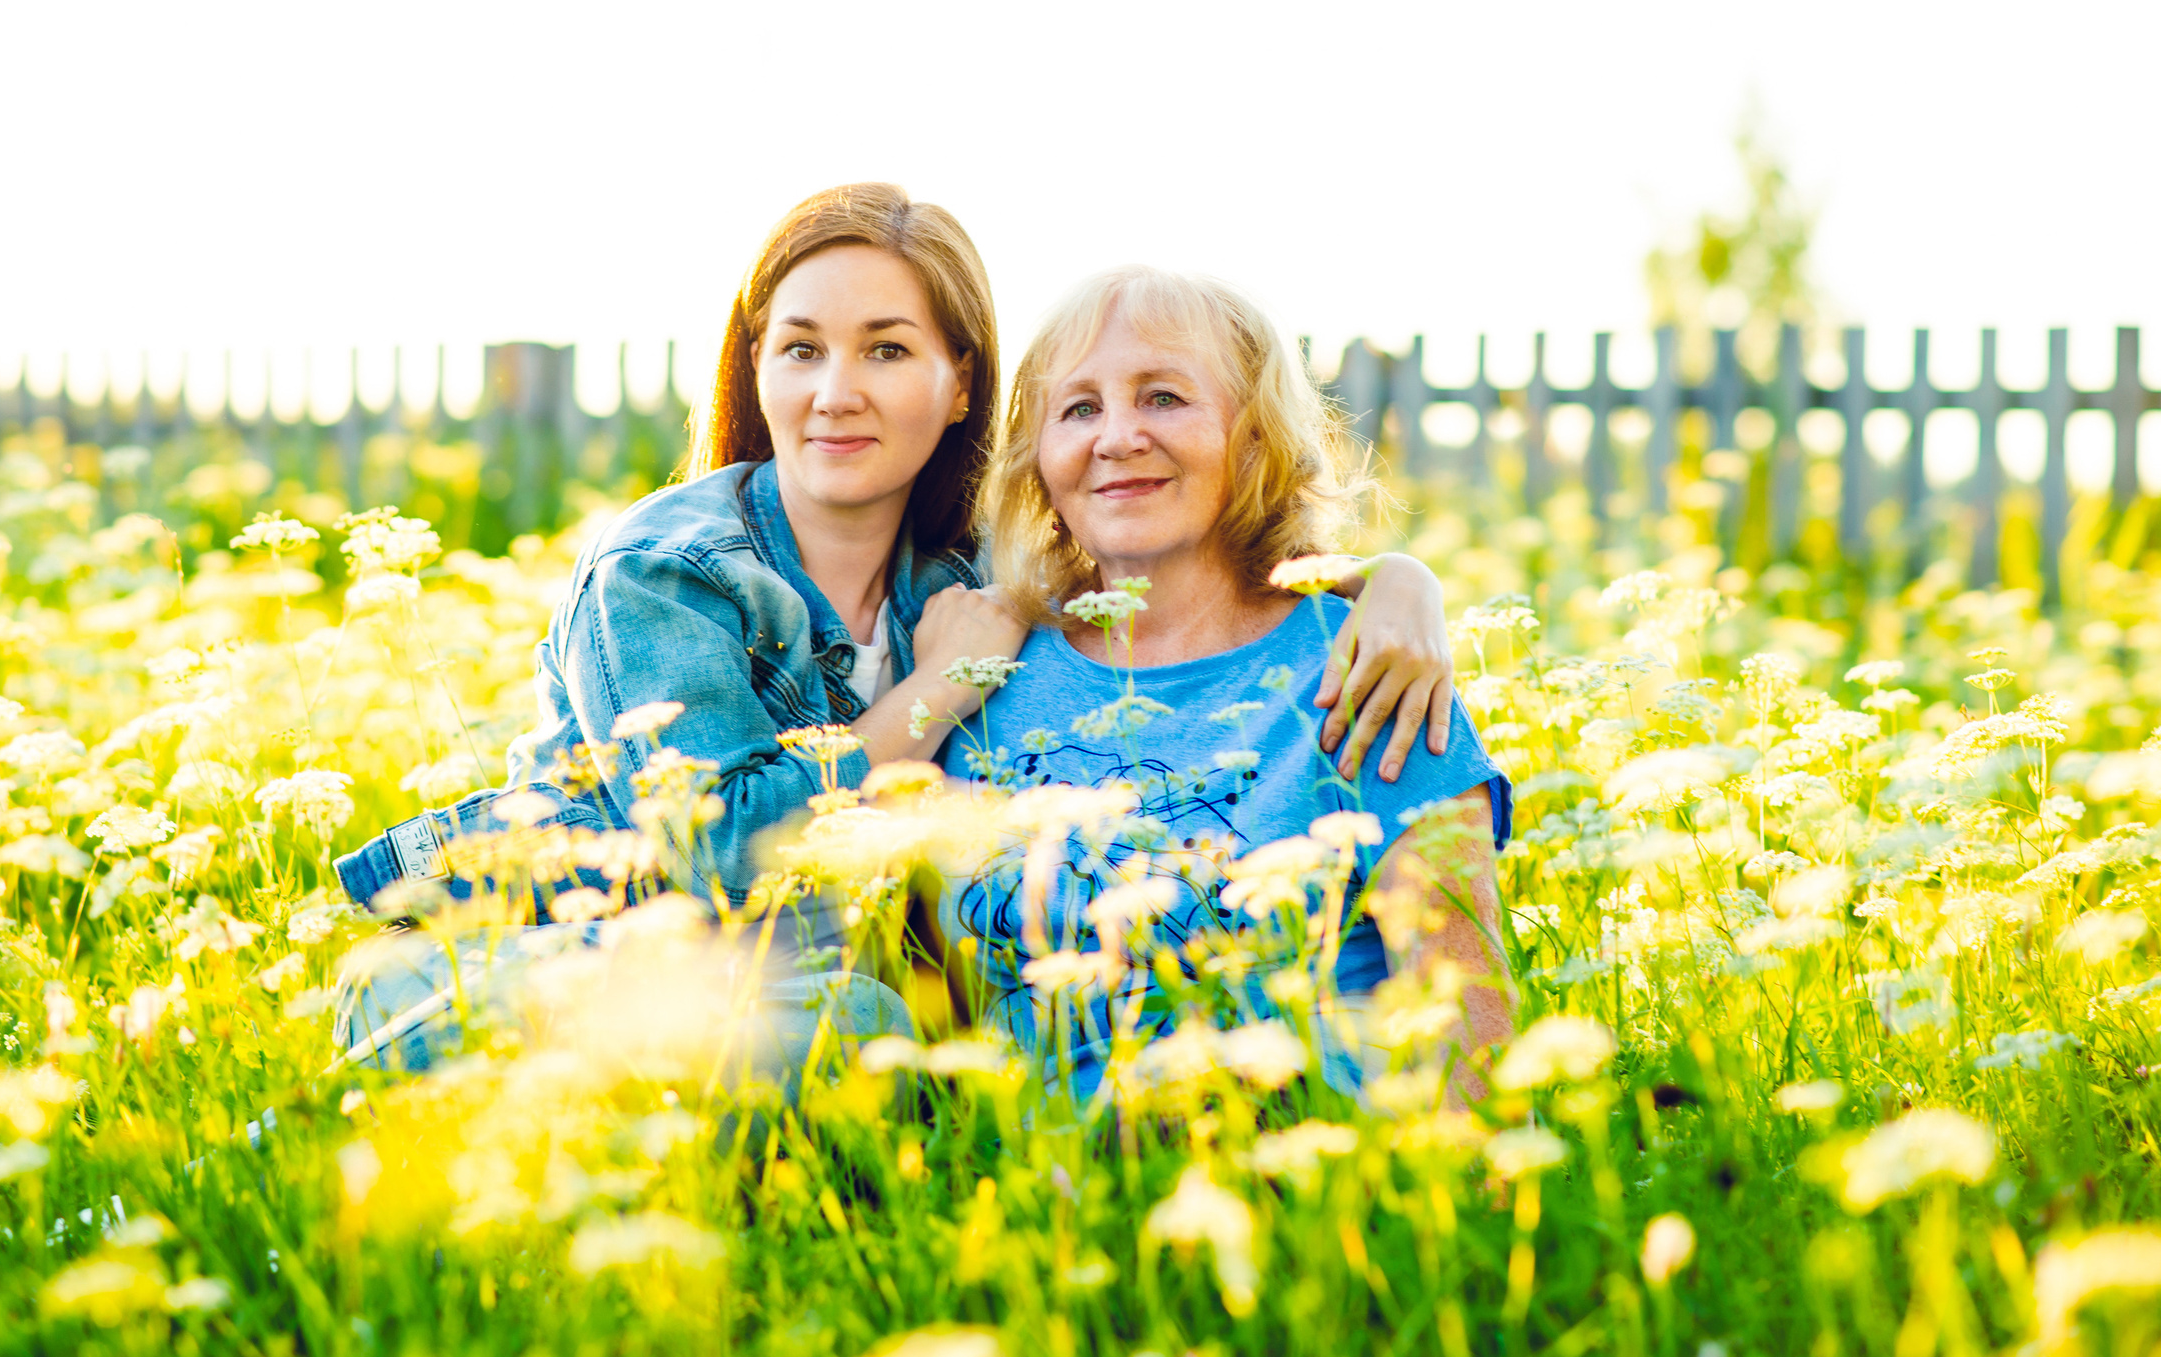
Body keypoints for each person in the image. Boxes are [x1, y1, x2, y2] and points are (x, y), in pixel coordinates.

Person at [329, 185, 1460, 1071]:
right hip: (534, 956)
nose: (837, 390)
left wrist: (1394, 580)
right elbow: (716, 852)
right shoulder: (662, 572)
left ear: (960, 382)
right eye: (801, 348)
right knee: (860, 1029)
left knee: (877, 1035)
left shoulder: (965, 567)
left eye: (885, 348)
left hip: (771, 994)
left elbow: (1162, 561)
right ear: (756, 367)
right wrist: (937, 687)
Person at [938, 264, 1514, 1100]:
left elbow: (1467, 1030)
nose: (1118, 436)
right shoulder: (984, 670)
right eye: (1080, 408)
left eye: (1164, 397)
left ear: (1255, 437)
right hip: (1038, 1175)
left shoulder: (1366, 661)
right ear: (1038, 460)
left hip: (1305, 1158)